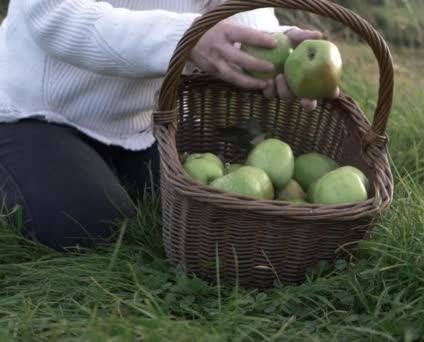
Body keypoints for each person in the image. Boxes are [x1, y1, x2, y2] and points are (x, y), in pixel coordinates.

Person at [0, 0, 330, 251]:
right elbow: (52, 14)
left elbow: (240, 13)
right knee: (93, 226)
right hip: (34, 110)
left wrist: (279, 48)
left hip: (142, 121)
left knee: (206, 210)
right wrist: (187, 37)